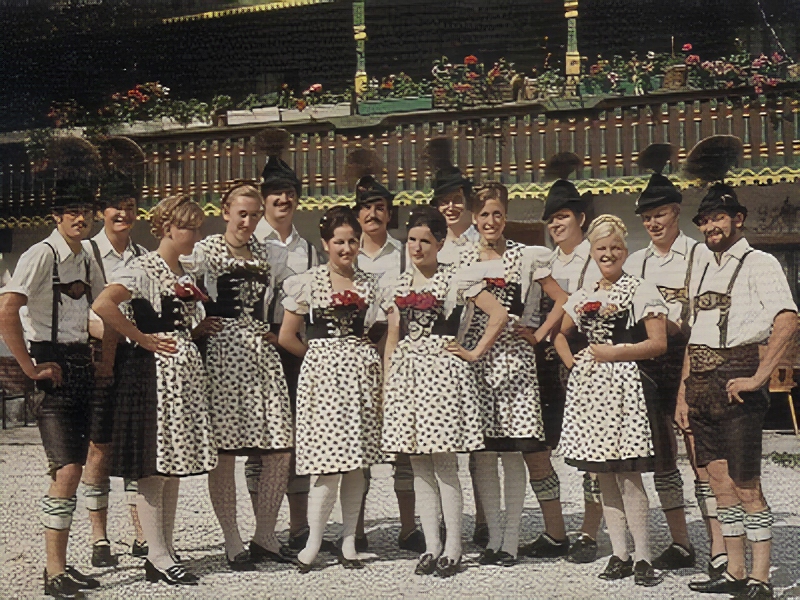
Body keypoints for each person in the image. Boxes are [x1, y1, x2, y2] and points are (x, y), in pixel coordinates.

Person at [676, 136, 797, 600]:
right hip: (701, 382)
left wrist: (759, 377)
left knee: (746, 485)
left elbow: (787, 320)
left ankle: (762, 580)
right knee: (719, 483)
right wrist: (684, 393)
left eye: (719, 217)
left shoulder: (760, 262)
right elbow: (694, 334)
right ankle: (735, 571)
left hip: (739, 377)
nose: (711, 225)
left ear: (738, 219)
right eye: (705, 219)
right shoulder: (703, 267)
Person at [0, 137, 107, 599]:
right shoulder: (41, 254)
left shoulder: (87, 254)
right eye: (72, 212)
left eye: (86, 211)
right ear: (57, 216)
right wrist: (29, 367)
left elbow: (99, 310)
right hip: (53, 366)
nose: (81, 218)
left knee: (75, 467)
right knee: (66, 469)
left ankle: (60, 565)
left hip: (82, 364)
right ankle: (53, 572)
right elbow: (7, 310)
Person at [92, 195, 218, 586]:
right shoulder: (142, 267)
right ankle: (157, 552)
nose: (195, 235)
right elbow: (104, 305)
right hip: (152, 374)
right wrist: (141, 338)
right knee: (154, 464)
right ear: (166, 228)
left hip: (182, 374)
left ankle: (164, 548)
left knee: (173, 464)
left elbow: (176, 319)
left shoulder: (184, 271)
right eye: (188, 227)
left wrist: (194, 330)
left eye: (198, 228)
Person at [382, 206, 508, 577]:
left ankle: (454, 545)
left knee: (445, 464)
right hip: (408, 377)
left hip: (442, 376)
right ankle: (431, 545)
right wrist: (388, 383)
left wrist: (473, 351)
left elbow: (499, 314)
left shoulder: (456, 278)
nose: (417, 247)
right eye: (412, 240)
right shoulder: (398, 284)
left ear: (439, 243)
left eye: (425, 241)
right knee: (419, 464)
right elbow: (393, 337)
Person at [554, 214, 668, 587]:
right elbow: (560, 334)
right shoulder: (585, 293)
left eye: (615, 247)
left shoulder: (640, 289)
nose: (608, 254)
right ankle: (620, 553)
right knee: (603, 475)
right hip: (591, 393)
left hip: (626, 389)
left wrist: (615, 353)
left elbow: (658, 343)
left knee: (629, 474)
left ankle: (643, 556)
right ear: (592, 251)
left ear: (625, 250)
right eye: (601, 247)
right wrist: (574, 365)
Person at [624, 142, 721, 574]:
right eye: (646, 217)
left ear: (676, 211)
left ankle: (719, 546)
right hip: (650, 367)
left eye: (659, 214)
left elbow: (706, 318)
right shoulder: (636, 262)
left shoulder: (699, 254)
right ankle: (681, 542)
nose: (653, 223)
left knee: (701, 456)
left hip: (691, 360)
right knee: (663, 457)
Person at [459, 182, 568, 567]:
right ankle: (492, 538)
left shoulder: (526, 256)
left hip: (515, 361)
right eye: (484, 215)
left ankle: (511, 541)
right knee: (485, 454)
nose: (491, 221)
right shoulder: (463, 257)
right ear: (474, 218)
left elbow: (562, 299)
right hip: (477, 361)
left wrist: (538, 334)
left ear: (505, 216)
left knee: (514, 452)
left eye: (497, 214)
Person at [191, 183, 294, 570]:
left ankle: (265, 534)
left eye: (254, 215)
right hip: (222, 356)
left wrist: (283, 331)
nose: (248, 222)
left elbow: (293, 294)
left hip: (261, 354)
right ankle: (232, 540)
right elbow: (177, 289)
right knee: (225, 453)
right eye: (242, 214)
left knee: (279, 448)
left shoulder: (271, 253)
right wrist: (195, 326)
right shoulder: (205, 251)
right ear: (225, 212)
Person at [278, 206, 384, 572]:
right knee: (326, 464)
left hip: (359, 379)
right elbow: (287, 336)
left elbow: (380, 328)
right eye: (339, 242)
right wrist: (320, 357)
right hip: (323, 381)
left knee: (355, 463)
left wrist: (361, 352)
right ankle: (313, 541)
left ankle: (349, 540)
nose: (347, 248)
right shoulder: (307, 282)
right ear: (326, 244)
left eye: (352, 241)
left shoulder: (369, 284)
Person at [520, 153, 603, 562]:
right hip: (544, 362)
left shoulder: (597, 258)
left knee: (592, 449)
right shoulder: (544, 262)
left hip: (587, 359)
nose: (556, 225)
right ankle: (555, 530)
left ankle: (588, 532)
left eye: (563, 217)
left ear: (581, 218)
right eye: (551, 219)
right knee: (537, 446)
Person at [250, 128, 321, 554]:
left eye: (290, 192)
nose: (283, 199)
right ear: (263, 199)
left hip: (291, 347)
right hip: (254, 346)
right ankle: (263, 529)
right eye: (275, 193)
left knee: (294, 437)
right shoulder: (248, 241)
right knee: (258, 439)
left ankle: (298, 526)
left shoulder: (307, 249)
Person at [350, 159, 420, 553]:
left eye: (380, 208)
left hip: (400, 349)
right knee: (359, 439)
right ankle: (356, 529)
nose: (373, 214)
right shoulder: (347, 252)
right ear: (357, 215)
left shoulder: (405, 254)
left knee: (403, 441)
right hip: (357, 351)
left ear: (389, 214)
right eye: (366, 208)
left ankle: (408, 528)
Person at [87, 136, 149, 562]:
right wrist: (112, 330)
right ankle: (99, 538)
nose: (122, 213)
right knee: (100, 446)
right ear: (101, 211)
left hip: (135, 358)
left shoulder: (144, 256)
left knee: (135, 445)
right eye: (115, 206)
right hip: (98, 358)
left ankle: (142, 534)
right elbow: (81, 313)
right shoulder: (88, 253)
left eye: (129, 206)